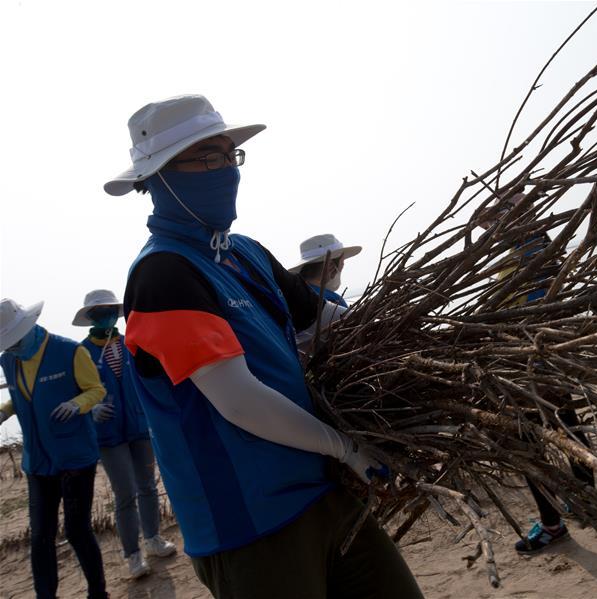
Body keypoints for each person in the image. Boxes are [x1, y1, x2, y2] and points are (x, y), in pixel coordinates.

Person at [104, 94, 422, 599]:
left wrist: (423, 336)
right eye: (208, 157)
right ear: (159, 177)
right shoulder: (161, 274)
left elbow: (328, 322)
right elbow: (239, 400)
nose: (226, 170)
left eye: (231, 155)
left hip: (325, 491)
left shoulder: (246, 253)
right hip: (250, 524)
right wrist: (347, 447)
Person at [476, 194, 597, 555]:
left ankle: (554, 523)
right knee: (567, 430)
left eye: (501, 220)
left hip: (532, 364)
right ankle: (583, 501)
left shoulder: (532, 252)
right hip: (532, 362)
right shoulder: (529, 249)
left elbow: (532, 311)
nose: (493, 229)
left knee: (529, 444)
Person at [0, 298, 109, 599]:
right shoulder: (9, 359)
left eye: (13, 342)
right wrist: (6, 411)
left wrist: (76, 404)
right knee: (40, 537)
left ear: (28, 328)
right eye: (5, 345)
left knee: (77, 531)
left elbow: (96, 389)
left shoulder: (70, 351)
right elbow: (24, 395)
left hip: (75, 457)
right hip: (37, 461)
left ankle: (98, 592)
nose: (10, 348)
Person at [73, 289, 177, 579]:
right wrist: (90, 410)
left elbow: (153, 377)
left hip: (140, 426)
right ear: (90, 318)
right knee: (124, 494)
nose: (103, 316)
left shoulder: (132, 342)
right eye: (97, 313)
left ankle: (153, 539)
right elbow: (76, 392)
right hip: (107, 434)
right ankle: (132, 555)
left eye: (108, 310)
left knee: (148, 486)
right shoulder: (81, 351)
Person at [288, 233, 362, 308]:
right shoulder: (334, 302)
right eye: (342, 263)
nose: (342, 267)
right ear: (329, 266)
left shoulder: (290, 296)